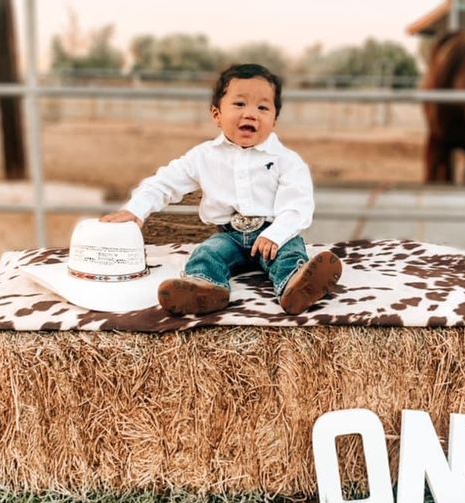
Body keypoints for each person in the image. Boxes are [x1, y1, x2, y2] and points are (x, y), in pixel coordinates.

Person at [101, 63, 342, 315]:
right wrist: (136, 210)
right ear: (216, 114)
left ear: (274, 120)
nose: (251, 114)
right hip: (230, 236)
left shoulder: (287, 160)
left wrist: (278, 233)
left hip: (274, 235)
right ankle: (206, 288)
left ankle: (296, 285)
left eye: (262, 107)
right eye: (239, 104)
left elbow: (297, 204)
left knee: (290, 254)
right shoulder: (203, 157)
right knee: (206, 254)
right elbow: (165, 182)